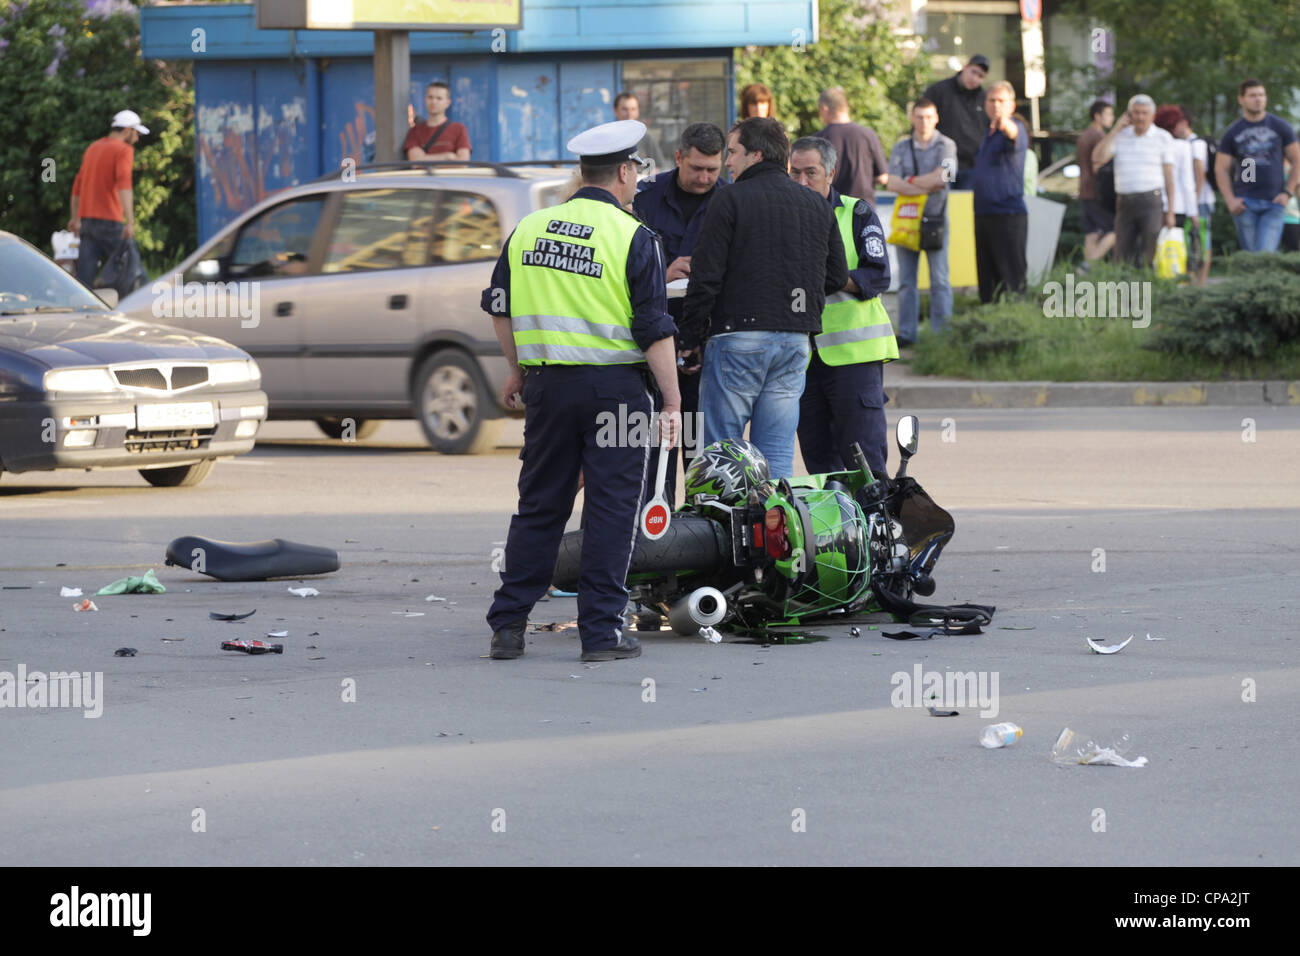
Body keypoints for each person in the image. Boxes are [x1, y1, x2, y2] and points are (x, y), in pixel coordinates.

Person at [481, 120, 681, 663]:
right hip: (616, 392)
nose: (638, 181)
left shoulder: (529, 228)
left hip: (549, 388)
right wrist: (672, 401)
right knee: (613, 510)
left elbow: (500, 308)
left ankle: (508, 625)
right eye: (636, 170)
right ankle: (601, 633)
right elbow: (654, 329)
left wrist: (520, 369)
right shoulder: (635, 236)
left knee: (540, 504)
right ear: (622, 172)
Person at [680, 117, 847, 480]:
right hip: (795, 342)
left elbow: (705, 277)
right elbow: (836, 274)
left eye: (733, 152)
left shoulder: (728, 198)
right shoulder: (816, 204)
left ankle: (725, 535)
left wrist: (689, 340)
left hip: (737, 339)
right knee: (776, 455)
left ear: (756, 154)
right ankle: (774, 534)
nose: (727, 162)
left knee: (722, 457)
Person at [789, 136, 896, 476]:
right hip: (803, 359)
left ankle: (875, 527)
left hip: (855, 359)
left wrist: (833, 277)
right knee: (820, 465)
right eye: (794, 174)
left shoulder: (857, 213)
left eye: (811, 173)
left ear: (830, 173)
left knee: (865, 462)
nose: (802, 182)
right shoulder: (783, 216)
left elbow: (877, 276)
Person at [633, 122, 727, 499]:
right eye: (696, 169)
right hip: (655, 336)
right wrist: (663, 272)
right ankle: (658, 527)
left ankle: (701, 534)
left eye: (712, 170)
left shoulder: (730, 199)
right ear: (678, 158)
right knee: (658, 446)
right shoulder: (645, 196)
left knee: (704, 452)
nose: (705, 177)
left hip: (709, 337)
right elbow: (624, 265)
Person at [883, 98, 956, 344]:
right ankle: (906, 334)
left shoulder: (947, 145)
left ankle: (941, 335)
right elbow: (891, 183)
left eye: (928, 116)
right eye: (919, 116)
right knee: (906, 281)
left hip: (935, 220)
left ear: (936, 118)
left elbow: (943, 179)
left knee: (940, 280)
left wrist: (909, 181)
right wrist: (926, 182)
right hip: (906, 221)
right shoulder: (901, 147)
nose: (923, 122)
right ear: (912, 118)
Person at [1215, 79, 1300, 254]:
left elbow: (1297, 160)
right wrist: (1230, 200)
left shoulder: (1280, 127)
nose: (1258, 99)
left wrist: (1288, 192)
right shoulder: (1234, 132)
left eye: (1261, 95)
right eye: (1253, 95)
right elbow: (1221, 168)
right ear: (1241, 99)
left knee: (1264, 255)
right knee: (1251, 257)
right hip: (1245, 203)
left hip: (1274, 202)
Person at [1092, 94, 1175, 269]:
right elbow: (1098, 158)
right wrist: (1115, 129)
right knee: (1122, 253)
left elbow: (1169, 177)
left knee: (1150, 253)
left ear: (1152, 116)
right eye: (1136, 113)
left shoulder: (1163, 137)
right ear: (1129, 115)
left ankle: (1149, 292)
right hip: (1125, 201)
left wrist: (1171, 211)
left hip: (1151, 200)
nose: (1140, 117)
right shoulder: (1121, 136)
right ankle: (1124, 293)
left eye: (1144, 113)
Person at [68, 109, 148, 288]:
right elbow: (124, 185)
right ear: (127, 130)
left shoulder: (92, 148)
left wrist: (75, 218)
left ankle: (83, 310)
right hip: (110, 222)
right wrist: (130, 222)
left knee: (84, 279)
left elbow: (77, 188)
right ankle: (146, 308)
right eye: (136, 133)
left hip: (87, 222)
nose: (137, 138)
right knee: (134, 271)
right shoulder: (124, 150)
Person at [972, 81, 1028, 303]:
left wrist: (1004, 123)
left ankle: (1016, 326)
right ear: (985, 104)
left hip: (1008, 214)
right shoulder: (988, 134)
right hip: (984, 214)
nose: (996, 105)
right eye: (992, 100)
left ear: (1011, 106)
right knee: (987, 281)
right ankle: (989, 326)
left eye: (1001, 101)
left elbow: (1013, 133)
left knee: (1012, 281)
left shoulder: (1015, 128)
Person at [923, 54, 990, 191]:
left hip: (972, 165)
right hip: (945, 162)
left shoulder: (984, 98)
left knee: (963, 207)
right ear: (965, 68)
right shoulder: (940, 91)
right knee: (944, 200)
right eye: (973, 72)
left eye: (981, 76)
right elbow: (922, 118)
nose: (975, 78)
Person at [815, 87, 889, 206]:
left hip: (832, 209)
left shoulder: (818, 139)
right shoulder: (868, 135)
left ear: (824, 109)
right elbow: (883, 177)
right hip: (863, 210)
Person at [1153, 105, 1201, 274]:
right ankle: (1173, 281)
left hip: (1153, 203)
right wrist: (1193, 212)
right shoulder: (1182, 147)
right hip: (1178, 206)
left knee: (1152, 249)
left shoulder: (1152, 143)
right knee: (1172, 249)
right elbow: (1187, 182)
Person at [1076, 100, 1117, 268]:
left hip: (1084, 190)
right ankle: (1087, 265)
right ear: (1097, 116)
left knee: (1092, 233)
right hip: (1096, 191)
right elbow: (1097, 165)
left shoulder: (1085, 135)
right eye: (1109, 114)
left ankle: (1087, 275)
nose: (1112, 118)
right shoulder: (1098, 136)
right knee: (1115, 231)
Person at [403, 81, 471, 161]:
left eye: (439, 98)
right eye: (430, 97)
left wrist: (425, 159)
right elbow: (416, 161)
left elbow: (463, 162)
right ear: (425, 100)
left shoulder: (459, 129)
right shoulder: (414, 131)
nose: (434, 102)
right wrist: (448, 157)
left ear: (448, 103)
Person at [1186, 115, 1216, 285]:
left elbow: (1200, 175)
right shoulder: (1190, 143)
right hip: (1199, 201)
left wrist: (1193, 204)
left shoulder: (1196, 144)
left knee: (1202, 242)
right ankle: (1194, 284)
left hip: (1201, 201)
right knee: (1194, 241)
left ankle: (1200, 285)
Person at [613, 91, 668, 173]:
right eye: (625, 109)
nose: (629, 114)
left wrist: (645, 178)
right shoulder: (609, 138)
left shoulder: (646, 137)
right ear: (615, 111)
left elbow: (659, 167)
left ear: (638, 111)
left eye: (633, 109)